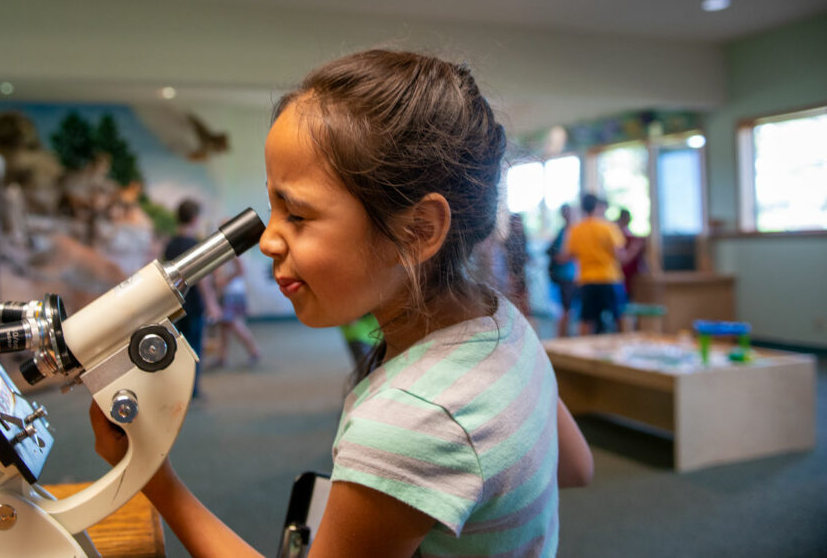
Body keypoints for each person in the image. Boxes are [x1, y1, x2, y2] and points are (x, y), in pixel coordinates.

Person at [92, 50, 593, 557]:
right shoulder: (504, 323)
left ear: (418, 230)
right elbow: (575, 467)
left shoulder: (413, 420)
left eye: (299, 215)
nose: (268, 240)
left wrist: (156, 480)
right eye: (273, 207)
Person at [163, 198, 221, 400]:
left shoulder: (170, 244)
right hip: (194, 305)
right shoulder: (194, 244)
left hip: (175, 305)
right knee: (194, 348)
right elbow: (201, 279)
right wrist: (212, 304)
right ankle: (192, 390)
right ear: (195, 218)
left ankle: (177, 389)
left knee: (177, 350)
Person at [562, 193, 625, 335]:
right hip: (609, 277)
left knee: (586, 320)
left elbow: (569, 255)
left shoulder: (576, 230)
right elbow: (620, 255)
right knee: (618, 317)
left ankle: (584, 354)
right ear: (597, 206)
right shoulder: (608, 227)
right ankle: (622, 348)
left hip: (587, 279)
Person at [209, 257, 262, 368]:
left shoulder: (233, 254)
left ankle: (254, 351)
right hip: (229, 292)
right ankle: (222, 357)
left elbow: (241, 270)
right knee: (224, 325)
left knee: (233, 323)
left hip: (232, 292)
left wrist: (225, 280)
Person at [545, 204, 577, 337]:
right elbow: (558, 254)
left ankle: (564, 335)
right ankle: (562, 336)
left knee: (568, 309)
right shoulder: (563, 231)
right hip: (566, 276)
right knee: (565, 308)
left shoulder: (571, 230)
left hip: (571, 275)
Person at [502, 213, 531, 318]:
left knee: (524, 300)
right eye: (515, 222)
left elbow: (524, 255)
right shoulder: (509, 240)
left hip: (522, 274)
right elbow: (507, 259)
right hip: (513, 274)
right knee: (516, 300)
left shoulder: (523, 238)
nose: (517, 224)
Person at [616, 208, 647, 301]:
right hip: (620, 272)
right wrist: (634, 248)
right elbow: (623, 258)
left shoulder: (630, 235)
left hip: (631, 273)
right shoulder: (617, 234)